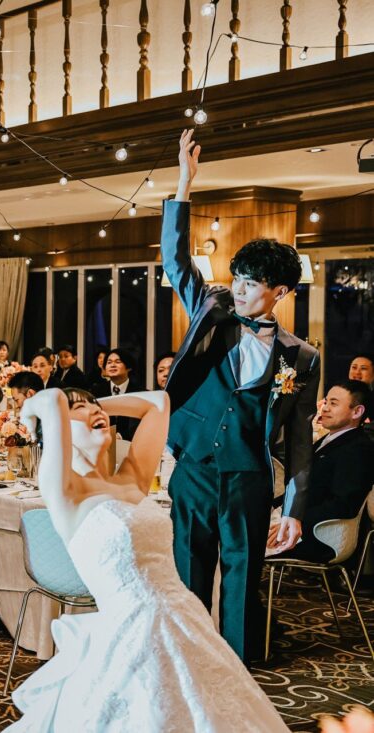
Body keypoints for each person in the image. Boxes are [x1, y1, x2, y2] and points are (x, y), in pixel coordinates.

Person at [7, 387, 288, 732]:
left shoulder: (130, 479)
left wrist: (92, 407)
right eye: (76, 408)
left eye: (96, 406)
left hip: (185, 618)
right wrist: (33, 410)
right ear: (56, 429)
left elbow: (159, 403)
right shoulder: (66, 493)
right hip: (131, 633)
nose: (96, 412)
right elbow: (51, 399)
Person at [162, 129, 319, 663]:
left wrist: (294, 508)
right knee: (187, 575)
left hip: (250, 479)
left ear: (281, 292)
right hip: (195, 470)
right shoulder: (211, 310)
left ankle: (238, 674)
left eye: (253, 283)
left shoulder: (302, 356)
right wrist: (184, 183)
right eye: (239, 278)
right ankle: (186, 665)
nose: (241, 288)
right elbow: (175, 261)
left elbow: (300, 439)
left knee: (243, 580)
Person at [272, 381, 374, 563]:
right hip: (293, 520)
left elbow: (342, 504)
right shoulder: (329, 439)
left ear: (357, 412)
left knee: (240, 542)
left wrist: (293, 519)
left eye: (333, 403)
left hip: (318, 533)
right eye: (326, 401)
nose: (324, 408)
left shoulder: (358, 448)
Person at [90, 348, 143, 439]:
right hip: (102, 441)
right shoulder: (95, 391)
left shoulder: (140, 393)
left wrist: (121, 436)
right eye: (109, 362)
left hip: (131, 442)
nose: (112, 365)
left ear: (129, 367)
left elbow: (140, 423)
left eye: (118, 362)